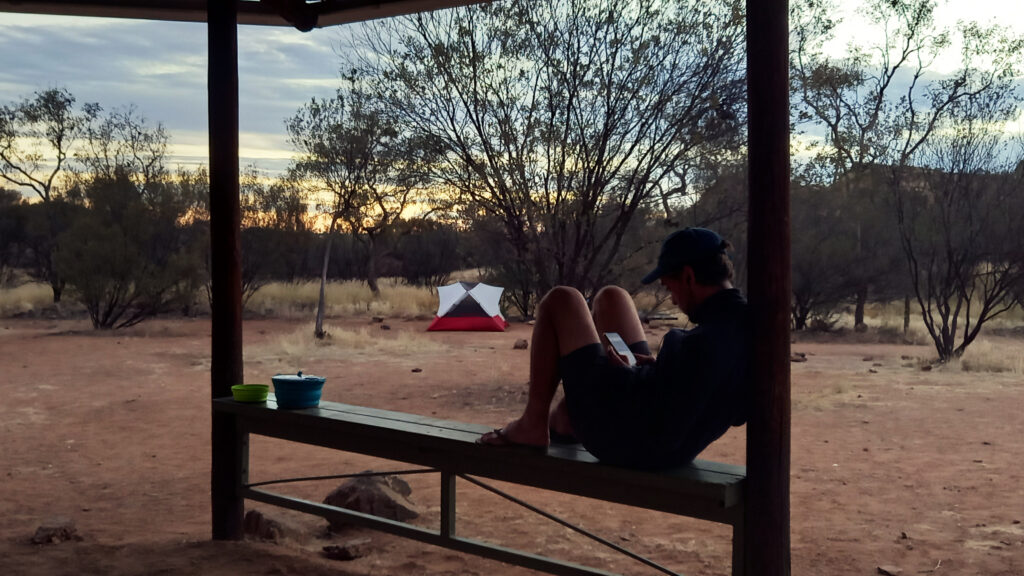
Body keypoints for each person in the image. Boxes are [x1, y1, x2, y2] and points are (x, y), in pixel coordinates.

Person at [477, 227, 750, 469]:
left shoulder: (699, 343)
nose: (673, 301)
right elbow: (722, 406)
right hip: (673, 446)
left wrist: (629, 376)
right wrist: (658, 372)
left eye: (670, 288)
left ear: (689, 277)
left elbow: (668, 419)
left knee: (562, 299)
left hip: (625, 440)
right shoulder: (742, 325)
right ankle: (565, 419)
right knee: (613, 297)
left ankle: (532, 424)